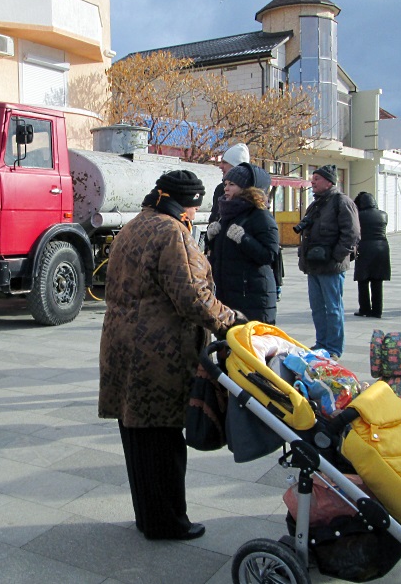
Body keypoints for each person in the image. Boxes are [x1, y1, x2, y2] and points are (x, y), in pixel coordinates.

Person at [98, 170, 245, 541]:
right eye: (195, 207)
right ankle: (168, 523)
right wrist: (233, 322)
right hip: (156, 353)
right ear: (184, 203)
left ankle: (148, 517)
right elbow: (193, 296)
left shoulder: (134, 225)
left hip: (122, 346)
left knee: (137, 439)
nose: (195, 215)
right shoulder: (172, 233)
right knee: (163, 444)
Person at [297, 165, 360, 359]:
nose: (312, 182)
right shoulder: (316, 204)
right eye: (312, 178)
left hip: (331, 266)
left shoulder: (341, 202)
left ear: (329, 181)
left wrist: (336, 256)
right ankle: (321, 343)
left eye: (316, 178)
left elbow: (352, 233)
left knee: (333, 308)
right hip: (314, 265)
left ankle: (333, 348)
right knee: (317, 308)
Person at [206, 162, 280, 323]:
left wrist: (244, 239)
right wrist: (210, 239)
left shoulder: (261, 215)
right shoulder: (227, 213)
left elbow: (269, 255)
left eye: (232, 184)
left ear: (246, 188)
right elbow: (223, 253)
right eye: (225, 184)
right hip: (228, 295)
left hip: (252, 298)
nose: (226, 188)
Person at [352, 192, 390, 318]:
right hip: (382, 248)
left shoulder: (358, 216)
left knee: (363, 280)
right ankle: (377, 310)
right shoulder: (383, 214)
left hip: (365, 247)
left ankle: (365, 308)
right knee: (377, 281)